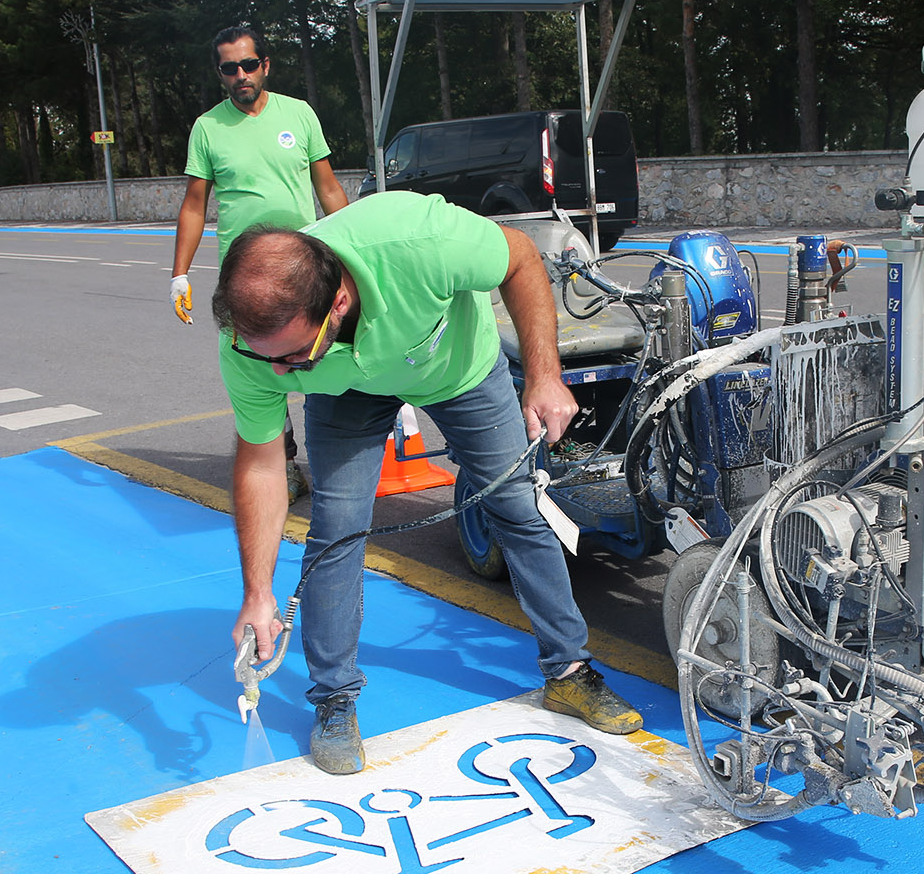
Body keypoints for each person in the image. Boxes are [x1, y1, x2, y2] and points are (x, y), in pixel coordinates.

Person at [213, 191, 644, 774]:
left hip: (456, 368)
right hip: (348, 392)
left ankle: (568, 673)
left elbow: (520, 259)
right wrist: (258, 592)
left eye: (293, 357)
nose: (279, 374)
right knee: (337, 530)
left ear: (338, 302)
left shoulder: (417, 240)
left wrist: (543, 376)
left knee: (517, 509)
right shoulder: (255, 348)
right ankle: (334, 701)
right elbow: (263, 464)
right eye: (267, 359)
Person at [171, 23, 349, 499]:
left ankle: (336, 462)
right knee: (254, 365)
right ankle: (284, 464)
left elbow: (328, 188)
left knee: (320, 355)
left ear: (265, 66)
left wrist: (356, 247)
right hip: (245, 275)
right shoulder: (208, 128)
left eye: (249, 65)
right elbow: (194, 204)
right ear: (221, 74)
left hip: (306, 264)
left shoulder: (299, 114)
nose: (241, 75)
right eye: (230, 68)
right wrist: (179, 275)